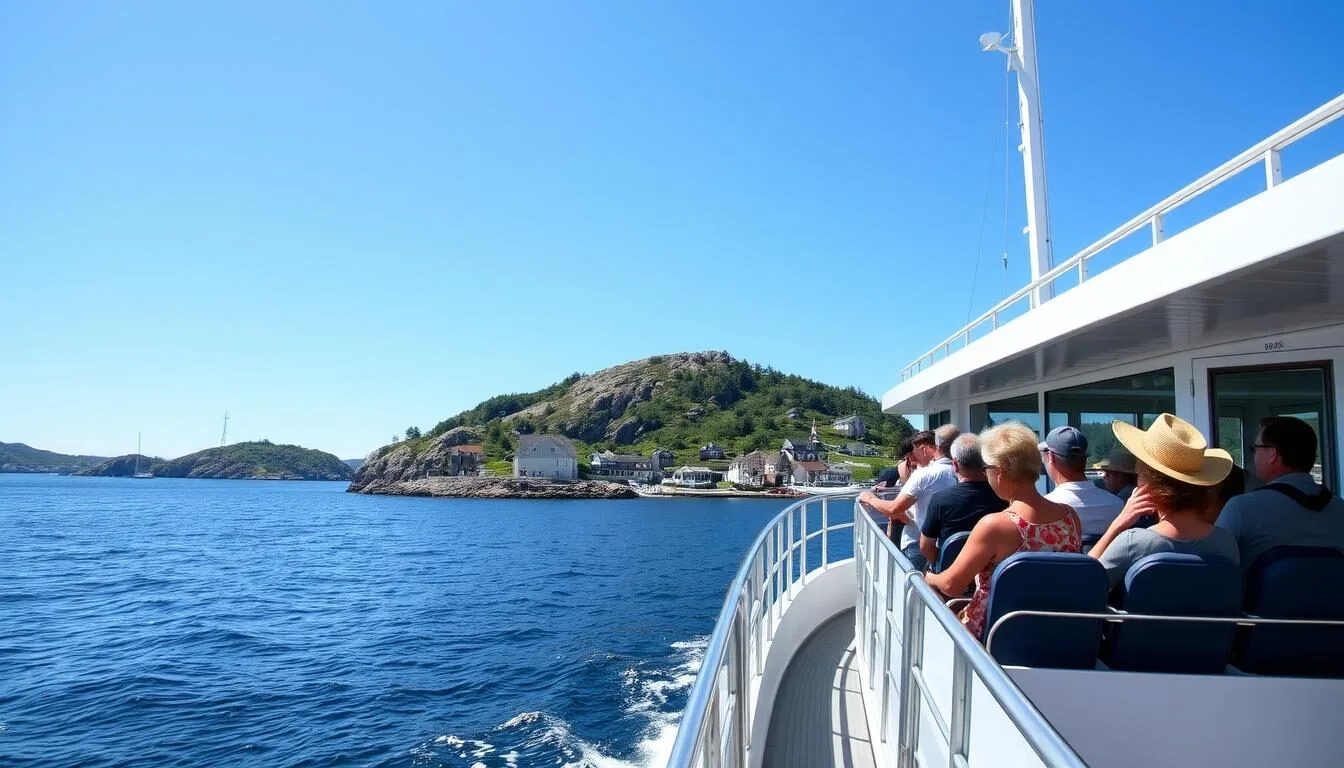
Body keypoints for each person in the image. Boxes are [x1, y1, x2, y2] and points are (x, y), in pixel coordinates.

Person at [924, 422, 1082, 640]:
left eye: (986, 469)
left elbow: (952, 585)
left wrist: (928, 577)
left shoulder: (994, 525)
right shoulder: (1069, 516)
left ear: (998, 473)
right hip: (1058, 631)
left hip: (996, 633)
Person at [1087, 414, 1239, 586]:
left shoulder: (1133, 542)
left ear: (1147, 484)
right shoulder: (1225, 542)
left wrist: (1117, 525)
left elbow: (1081, 583)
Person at [1216, 416, 1344, 570]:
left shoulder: (1241, 508)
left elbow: (1216, 571)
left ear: (1272, 454)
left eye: (1254, 448)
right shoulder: (1340, 508)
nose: (1253, 455)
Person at [858, 425, 959, 571]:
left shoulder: (924, 475)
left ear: (925, 449)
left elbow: (894, 508)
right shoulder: (961, 472)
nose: (913, 458)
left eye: (914, 452)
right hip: (947, 544)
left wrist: (869, 498)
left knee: (913, 589)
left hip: (917, 544)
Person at [919, 432, 1008, 566]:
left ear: (955, 464)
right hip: (993, 573)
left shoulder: (940, 500)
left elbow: (926, 547)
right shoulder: (1004, 497)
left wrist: (944, 564)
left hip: (952, 575)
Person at [1040, 425, 1123, 538]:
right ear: (1084, 459)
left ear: (1050, 457)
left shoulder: (1043, 508)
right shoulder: (1117, 505)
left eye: (1044, 453)